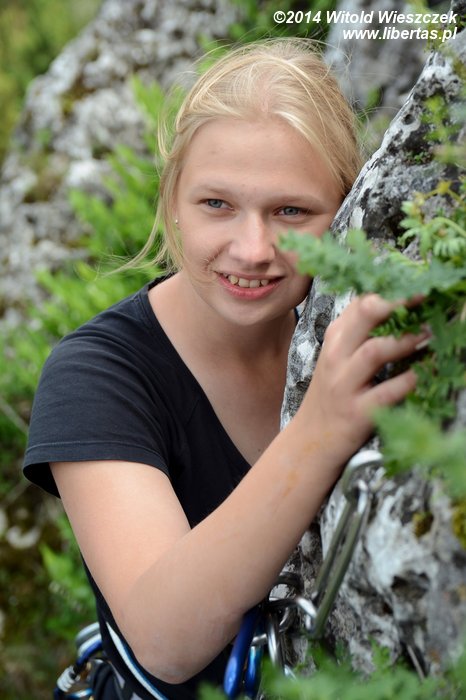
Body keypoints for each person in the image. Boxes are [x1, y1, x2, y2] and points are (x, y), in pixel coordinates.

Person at [23, 38, 428, 700]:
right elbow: (163, 641)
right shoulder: (96, 376)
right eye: (217, 204)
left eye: (291, 211)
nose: (253, 248)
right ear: (172, 203)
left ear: (346, 212)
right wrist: (318, 432)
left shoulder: (337, 330)